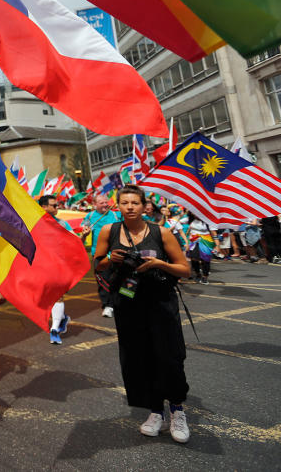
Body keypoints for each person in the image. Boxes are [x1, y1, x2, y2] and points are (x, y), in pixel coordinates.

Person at [94, 184, 191, 443]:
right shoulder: (109, 230)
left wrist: (160, 263)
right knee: (139, 359)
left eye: (135, 203)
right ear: (118, 205)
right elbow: (97, 264)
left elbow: (184, 269)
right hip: (128, 306)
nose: (130, 207)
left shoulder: (162, 232)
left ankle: (177, 410)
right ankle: (155, 411)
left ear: (144, 205)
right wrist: (111, 260)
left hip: (161, 304)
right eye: (124, 202)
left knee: (169, 358)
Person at [39, 196, 72, 344]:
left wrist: (83, 234)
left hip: (59, 265)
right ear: (43, 207)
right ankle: (63, 318)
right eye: (54, 205)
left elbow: (74, 240)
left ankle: (54, 329)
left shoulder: (62, 223)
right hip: (40, 266)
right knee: (45, 297)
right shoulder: (34, 224)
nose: (57, 208)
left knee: (57, 296)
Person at [82, 195, 122, 317]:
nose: (105, 204)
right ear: (95, 204)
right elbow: (84, 230)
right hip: (99, 254)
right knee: (103, 280)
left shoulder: (116, 215)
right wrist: (85, 233)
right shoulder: (89, 217)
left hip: (117, 252)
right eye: (101, 203)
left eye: (106, 202)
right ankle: (107, 305)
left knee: (121, 279)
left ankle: (122, 303)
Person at [186, 213, 213, 284]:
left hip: (206, 241)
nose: (196, 214)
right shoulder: (189, 220)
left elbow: (214, 232)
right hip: (193, 241)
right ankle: (198, 273)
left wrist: (217, 245)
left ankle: (205, 276)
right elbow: (177, 221)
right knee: (194, 259)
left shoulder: (208, 221)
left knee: (205, 259)